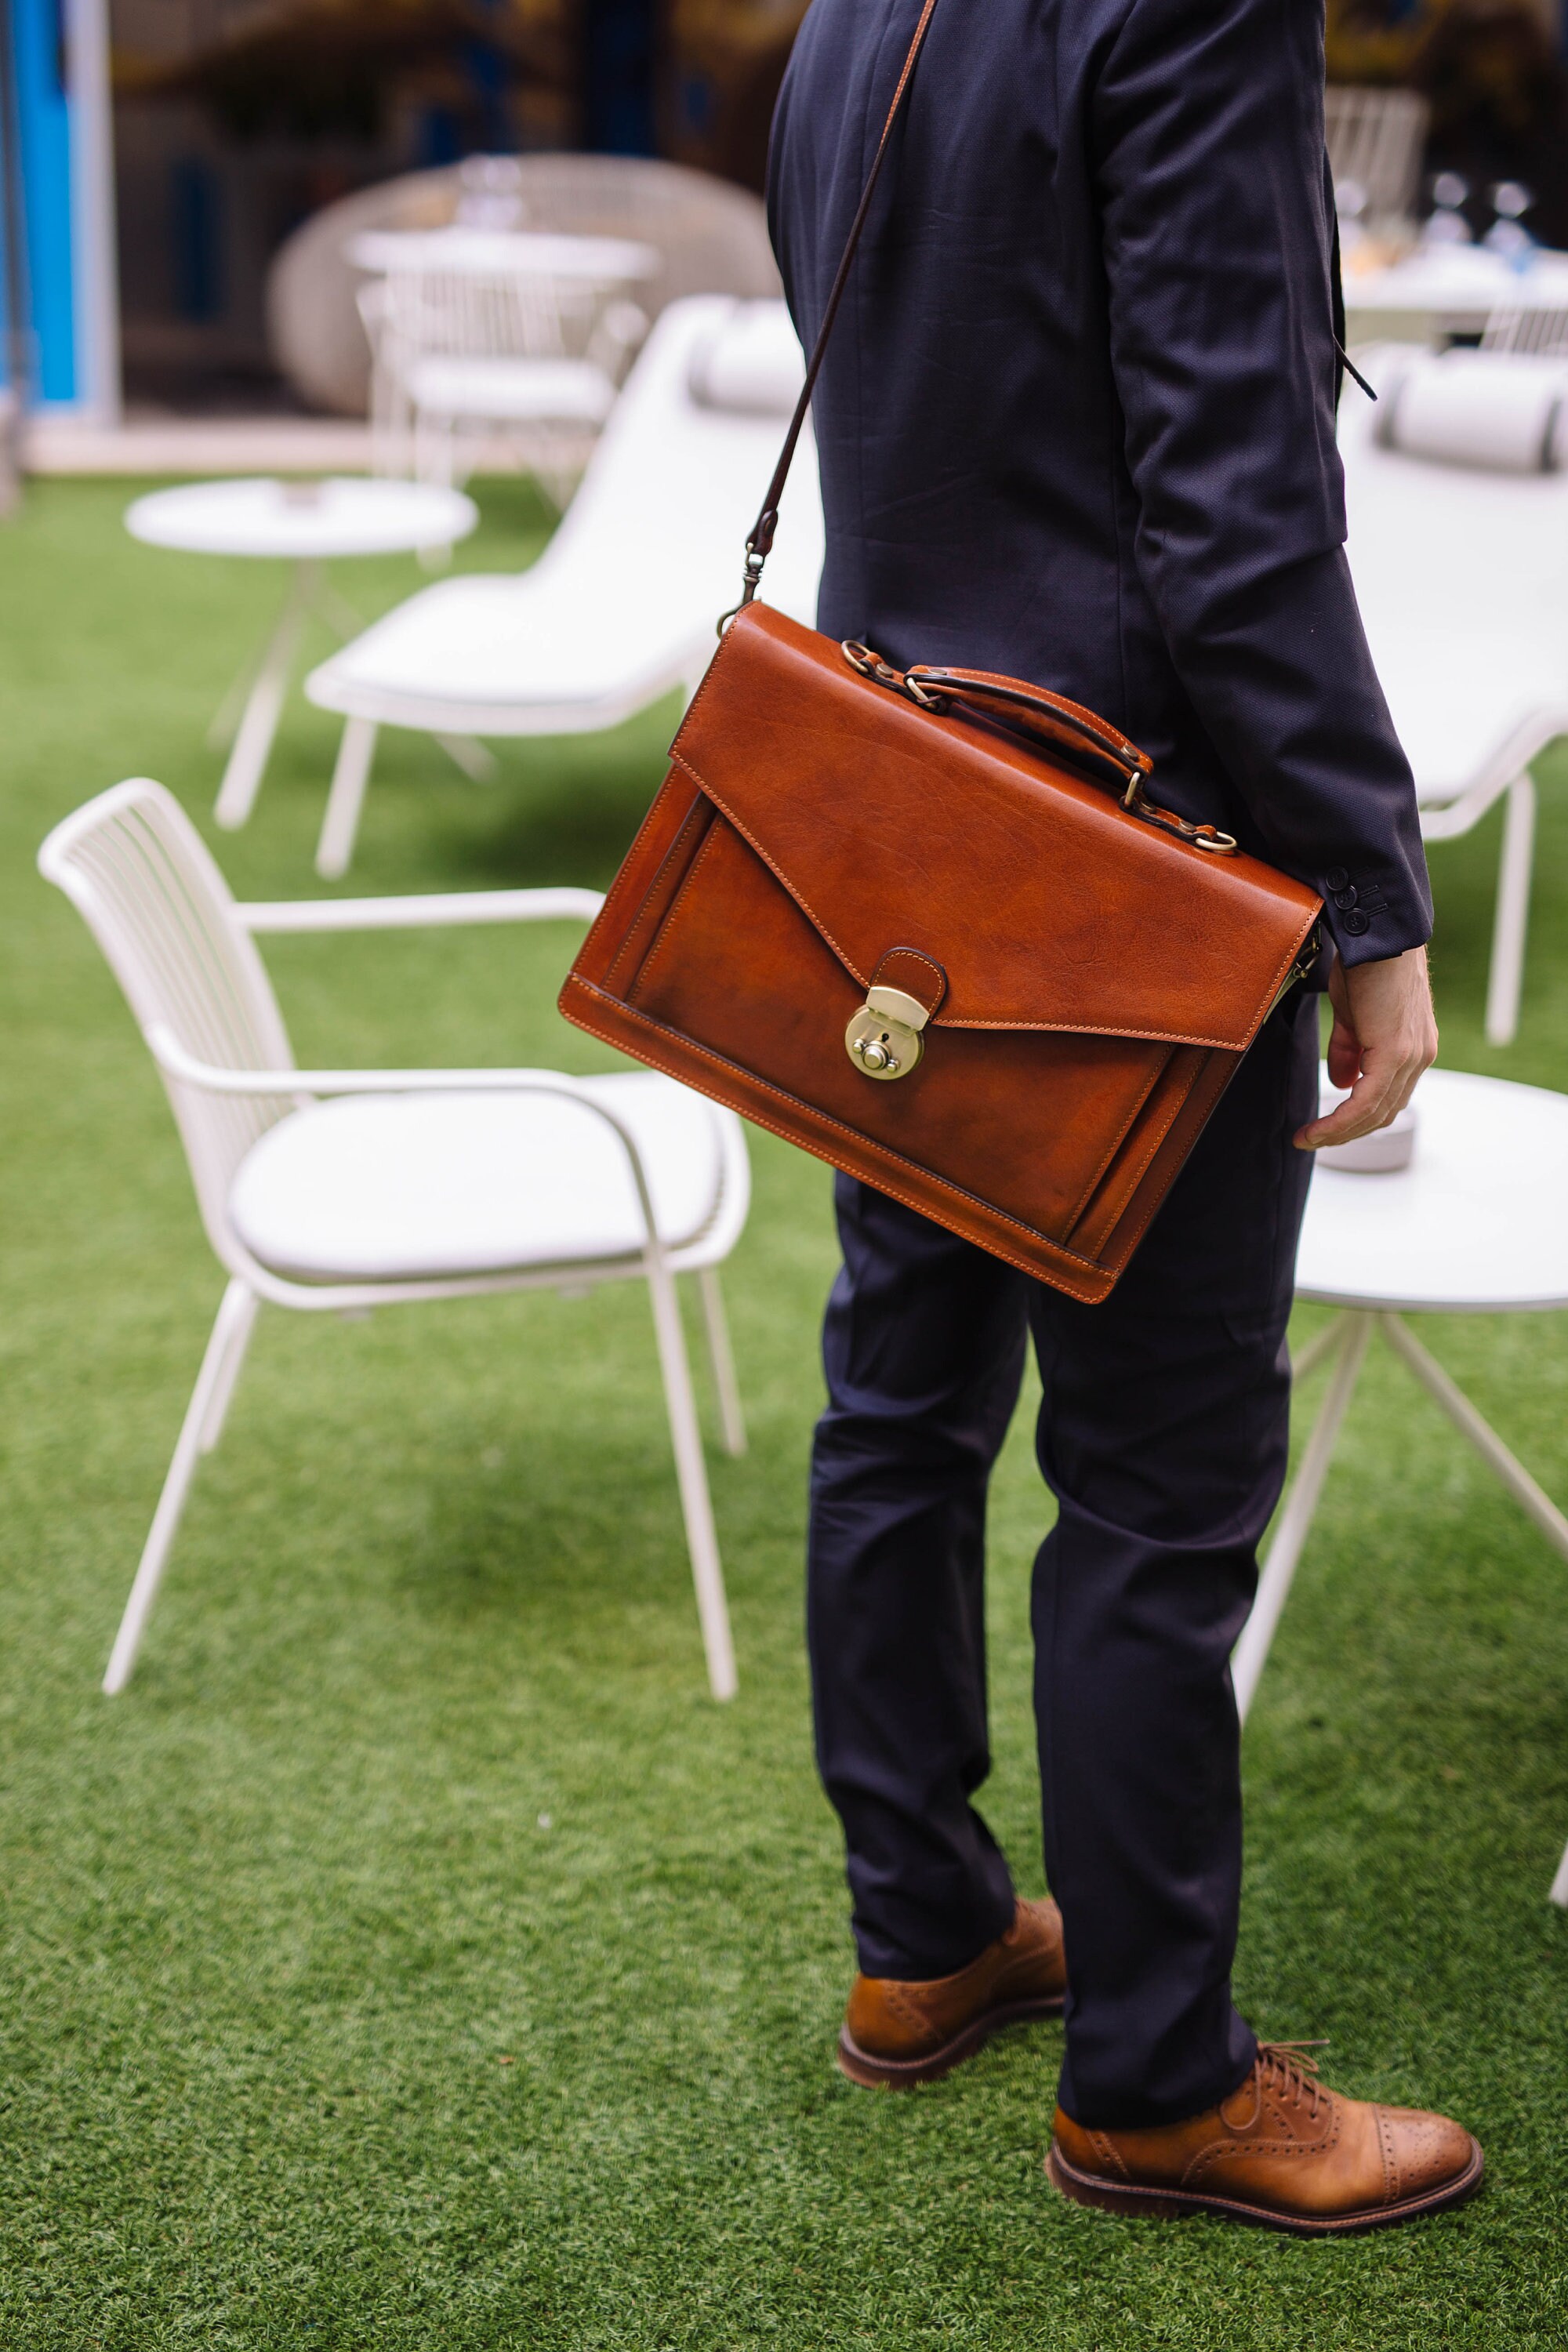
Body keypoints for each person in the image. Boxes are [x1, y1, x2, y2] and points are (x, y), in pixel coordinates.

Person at [767, 0, 1481, 2232]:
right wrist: (1368, 896)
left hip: (896, 816)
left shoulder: (852, 9)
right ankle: (1158, 2082)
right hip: (1125, 873)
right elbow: (1239, 506)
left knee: (901, 1405)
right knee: (1158, 1496)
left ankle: (927, 1941)